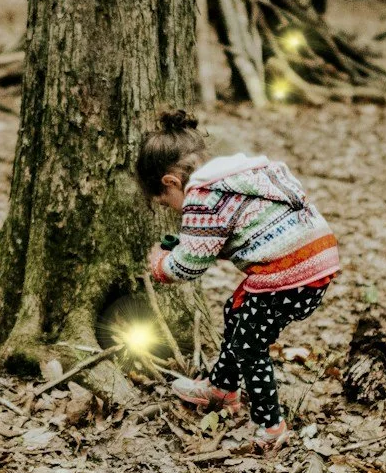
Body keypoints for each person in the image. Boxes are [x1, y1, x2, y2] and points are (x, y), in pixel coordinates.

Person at [136, 109, 340, 453]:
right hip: (315, 261)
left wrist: (160, 264)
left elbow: (187, 267)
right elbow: (242, 231)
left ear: (171, 182)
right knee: (236, 310)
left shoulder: (202, 194)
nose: (171, 209)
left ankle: (271, 426)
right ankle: (221, 387)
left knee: (250, 345)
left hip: (288, 274)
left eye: (165, 201)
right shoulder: (240, 176)